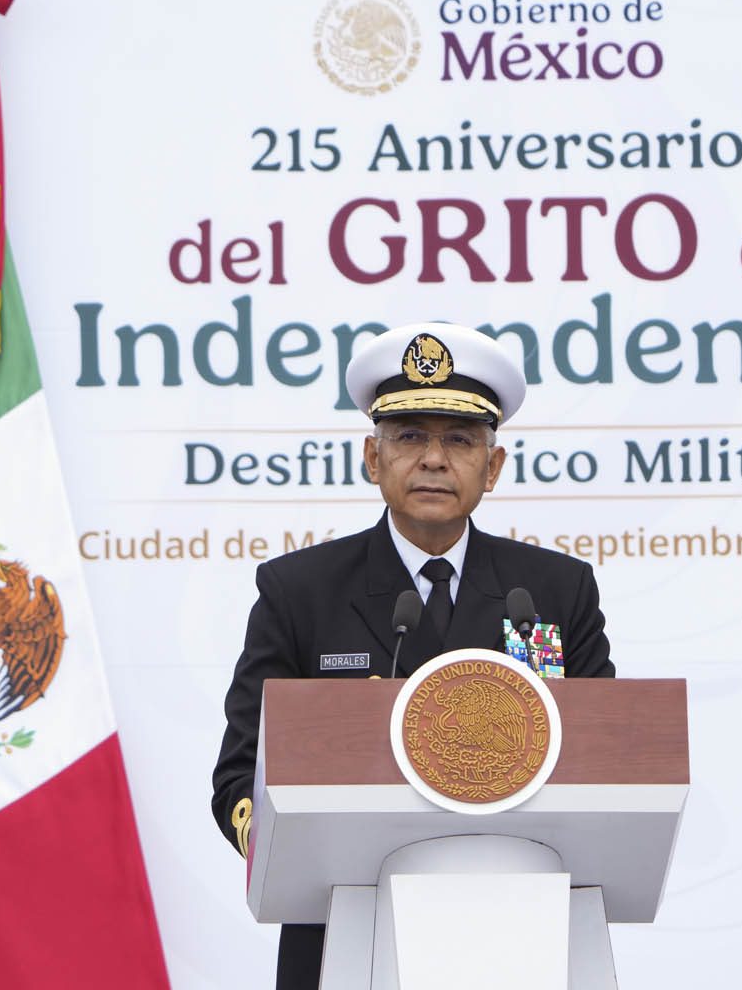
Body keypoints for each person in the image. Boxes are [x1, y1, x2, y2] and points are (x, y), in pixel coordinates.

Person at [211, 321, 616, 988]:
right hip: (348, 930)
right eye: (409, 437)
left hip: (524, 927)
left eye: (458, 440)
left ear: (493, 467)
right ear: (373, 460)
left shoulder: (552, 590)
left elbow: (603, 763)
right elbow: (240, 775)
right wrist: (282, 843)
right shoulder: (300, 591)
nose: (433, 459)